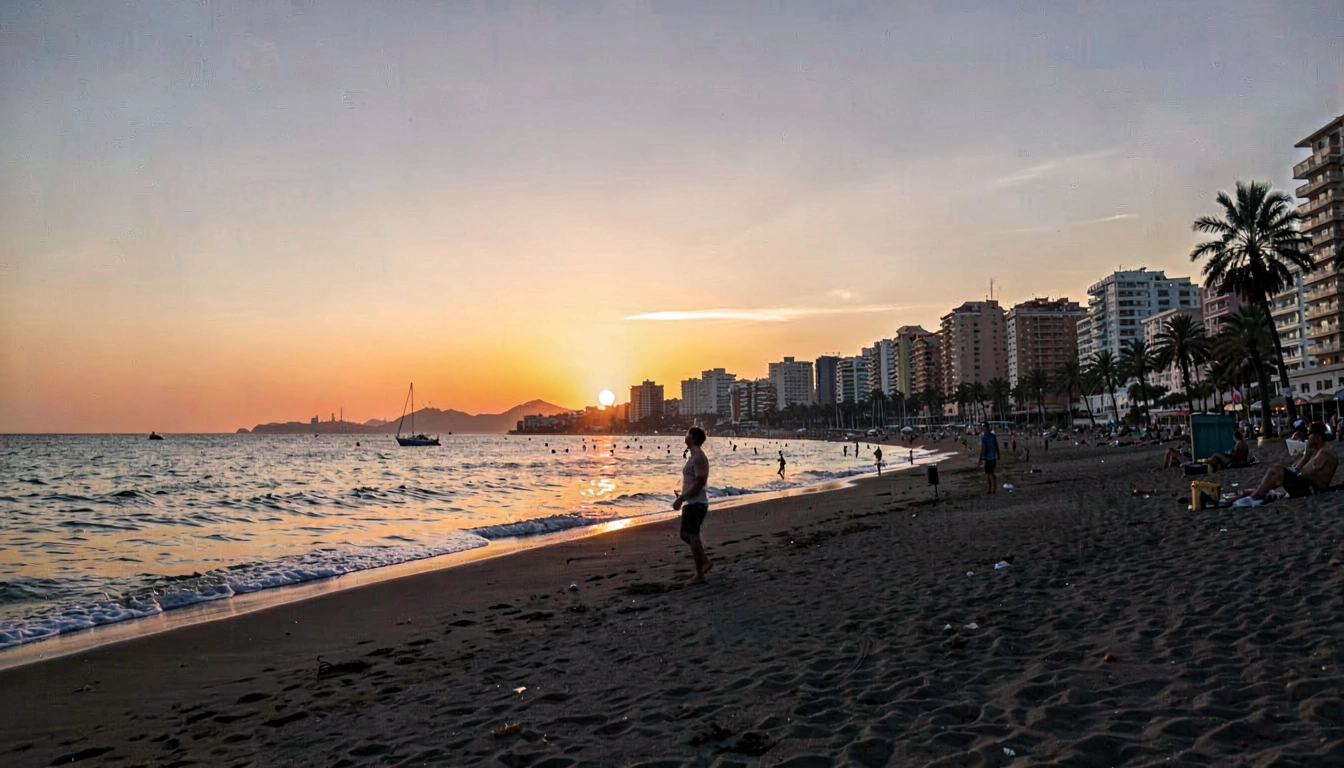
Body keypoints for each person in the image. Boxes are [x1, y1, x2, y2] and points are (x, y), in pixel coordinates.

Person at [1234, 422, 1338, 506]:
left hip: (1312, 489)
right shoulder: (1319, 450)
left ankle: (1254, 497)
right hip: (1309, 486)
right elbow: (1298, 469)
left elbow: (1304, 473)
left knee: (1276, 471)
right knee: (1276, 473)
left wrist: (1299, 463)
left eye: (1309, 434)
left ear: (1317, 437)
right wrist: (1304, 459)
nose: (1307, 436)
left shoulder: (1324, 452)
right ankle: (1256, 495)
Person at [672, 427, 713, 584]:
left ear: (693, 438)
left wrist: (682, 498)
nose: (685, 436)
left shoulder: (698, 458)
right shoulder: (694, 457)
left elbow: (700, 482)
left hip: (696, 503)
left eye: (688, 434)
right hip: (692, 502)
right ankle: (703, 561)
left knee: (692, 535)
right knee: (685, 535)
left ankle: (700, 574)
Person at [978, 423, 999, 495]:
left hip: (988, 458)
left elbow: (983, 449)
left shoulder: (984, 437)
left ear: (986, 428)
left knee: (988, 474)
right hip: (993, 458)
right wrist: (998, 454)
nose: (982, 429)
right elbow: (996, 446)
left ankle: (990, 489)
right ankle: (993, 488)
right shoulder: (993, 436)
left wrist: (980, 459)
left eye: (983, 427)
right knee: (991, 473)